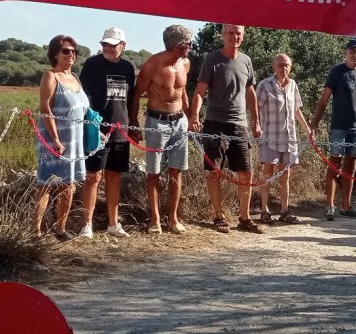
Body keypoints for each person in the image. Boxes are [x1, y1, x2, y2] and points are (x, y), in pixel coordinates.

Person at [189, 23, 263, 234]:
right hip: (215, 123)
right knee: (214, 172)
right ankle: (218, 216)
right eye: (230, 33)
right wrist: (195, 115)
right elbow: (200, 91)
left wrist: (256, 121)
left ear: (243, 36)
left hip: (240, 124)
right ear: (223, 35)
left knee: (246, 172)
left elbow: (250, 92)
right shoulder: (211, 59)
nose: (234, 37)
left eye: (238, 33)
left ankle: (245, 218)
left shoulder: (246, 60)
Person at [131, 24, 192, 235]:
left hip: (179, 121)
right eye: (188, 44)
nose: (191, 47)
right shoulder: (152, 65)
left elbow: (182, 92)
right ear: (177, 45)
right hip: (157, 122)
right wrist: (133, 122)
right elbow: (137, 94)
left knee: (176, 170)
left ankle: (173, 218)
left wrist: (191, 116)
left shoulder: (185, 63)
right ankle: (155, 219)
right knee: (154, 172)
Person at [78, 27, 137, 239]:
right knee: (94, 176)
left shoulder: (128, 67)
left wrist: (132, 124)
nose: (109, 48)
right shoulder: (93, 64)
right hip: (97, 128)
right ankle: (87, 224)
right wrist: (91, 127)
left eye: (113, 44)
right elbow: (86, 98)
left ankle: (113, 223)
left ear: (123, 45)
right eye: (105, 44)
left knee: (114, 176)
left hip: (121, 129)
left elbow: (131, 100)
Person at [311, 38, 356, 221]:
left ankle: (346, 207)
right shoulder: (337, 72)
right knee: (334, 165)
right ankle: (330, 206)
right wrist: (313, 126)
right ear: (345, 52)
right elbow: (323, 100)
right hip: (339, 127)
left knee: (351, 168)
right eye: (352, 51)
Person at [34, 35, 89, 240]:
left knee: (69, 184)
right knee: (46, 185)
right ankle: (36, 231)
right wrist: (55, 139)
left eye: (74, 50)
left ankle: (60, 228)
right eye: (66, 50)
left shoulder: (75, 77)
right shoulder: (50, 76)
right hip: (53, 139)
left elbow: (84, 110)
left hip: (75, 140)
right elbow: (45, 108)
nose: (71, 54)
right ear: (55, 53)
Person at [255, 54, 311, 224]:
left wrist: (307, 129)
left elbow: (296, 110)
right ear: (273, 66)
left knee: (285, 174)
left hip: (289, 137)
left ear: (291, 66)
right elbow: (255, 108)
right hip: (270, 136)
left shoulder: (293, 85)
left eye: (286, 65)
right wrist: (255, 126)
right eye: (280, 65)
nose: (283, 68)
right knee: (267, 172)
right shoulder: (264, 85)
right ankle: (264, 210)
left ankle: (285, 210)